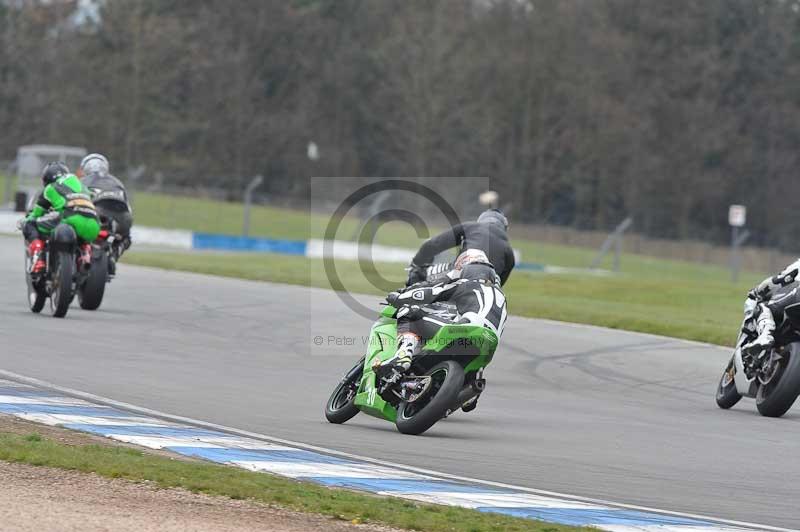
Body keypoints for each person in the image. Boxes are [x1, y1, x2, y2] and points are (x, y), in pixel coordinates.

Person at [375, 248, 508, 395]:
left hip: (464, 330)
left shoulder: (466, 284)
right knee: (473, 357)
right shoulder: (502, 299)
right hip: (488, 344)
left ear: (468, 270)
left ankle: (403, 354)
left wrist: (399, 298)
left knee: (409, 312)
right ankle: (470, 391)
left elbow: (430, 293)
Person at [23, 162, 100, 274]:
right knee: (82, 230)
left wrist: (26, 220)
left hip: (70, 218)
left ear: (47, 178)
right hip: (94, 224)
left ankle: (38, 259)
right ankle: (85, 252)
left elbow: (36, 213)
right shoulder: (82, 185)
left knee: (30, 224)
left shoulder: (50, 188)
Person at [406, 209, 515, 287]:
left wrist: (416, 264)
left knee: (418, 273)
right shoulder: (508, 250)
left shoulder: (471, 227)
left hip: (460, 273)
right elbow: (499, 284)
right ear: (504, 227)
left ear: (482, 220)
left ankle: (408, 303)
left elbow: (433, 244)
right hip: (485, 287)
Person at [78, 153, 133, 274]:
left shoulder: (81, 181)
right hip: (122, 217)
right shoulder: (117, 182)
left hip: (96, 213)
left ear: (85, 168)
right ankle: (113, 256)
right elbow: (128, 208)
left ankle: (81, 256)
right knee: (125, 238)